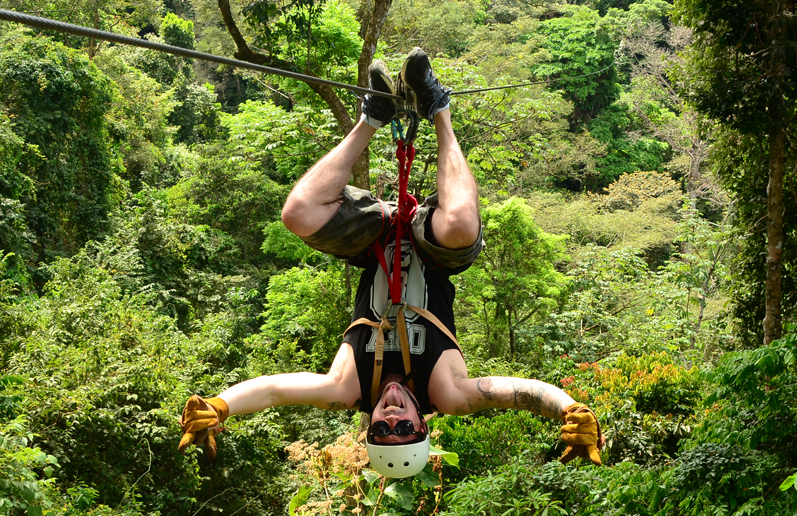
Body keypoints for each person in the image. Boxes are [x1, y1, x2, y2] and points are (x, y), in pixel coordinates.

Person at [178, 48, 605, 477]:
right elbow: (517, 391)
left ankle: (374, 115)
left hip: (374, 242)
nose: (393, 416)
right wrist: (569, 409)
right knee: (459, 222)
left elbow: (273, 390)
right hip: (435, 248)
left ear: (370, 428)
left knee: (297, 215)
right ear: (423, 425)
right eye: (405, 428)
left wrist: (220, 406)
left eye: (384, 429)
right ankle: (438, 110)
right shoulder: (449, 394)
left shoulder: (347, 388)